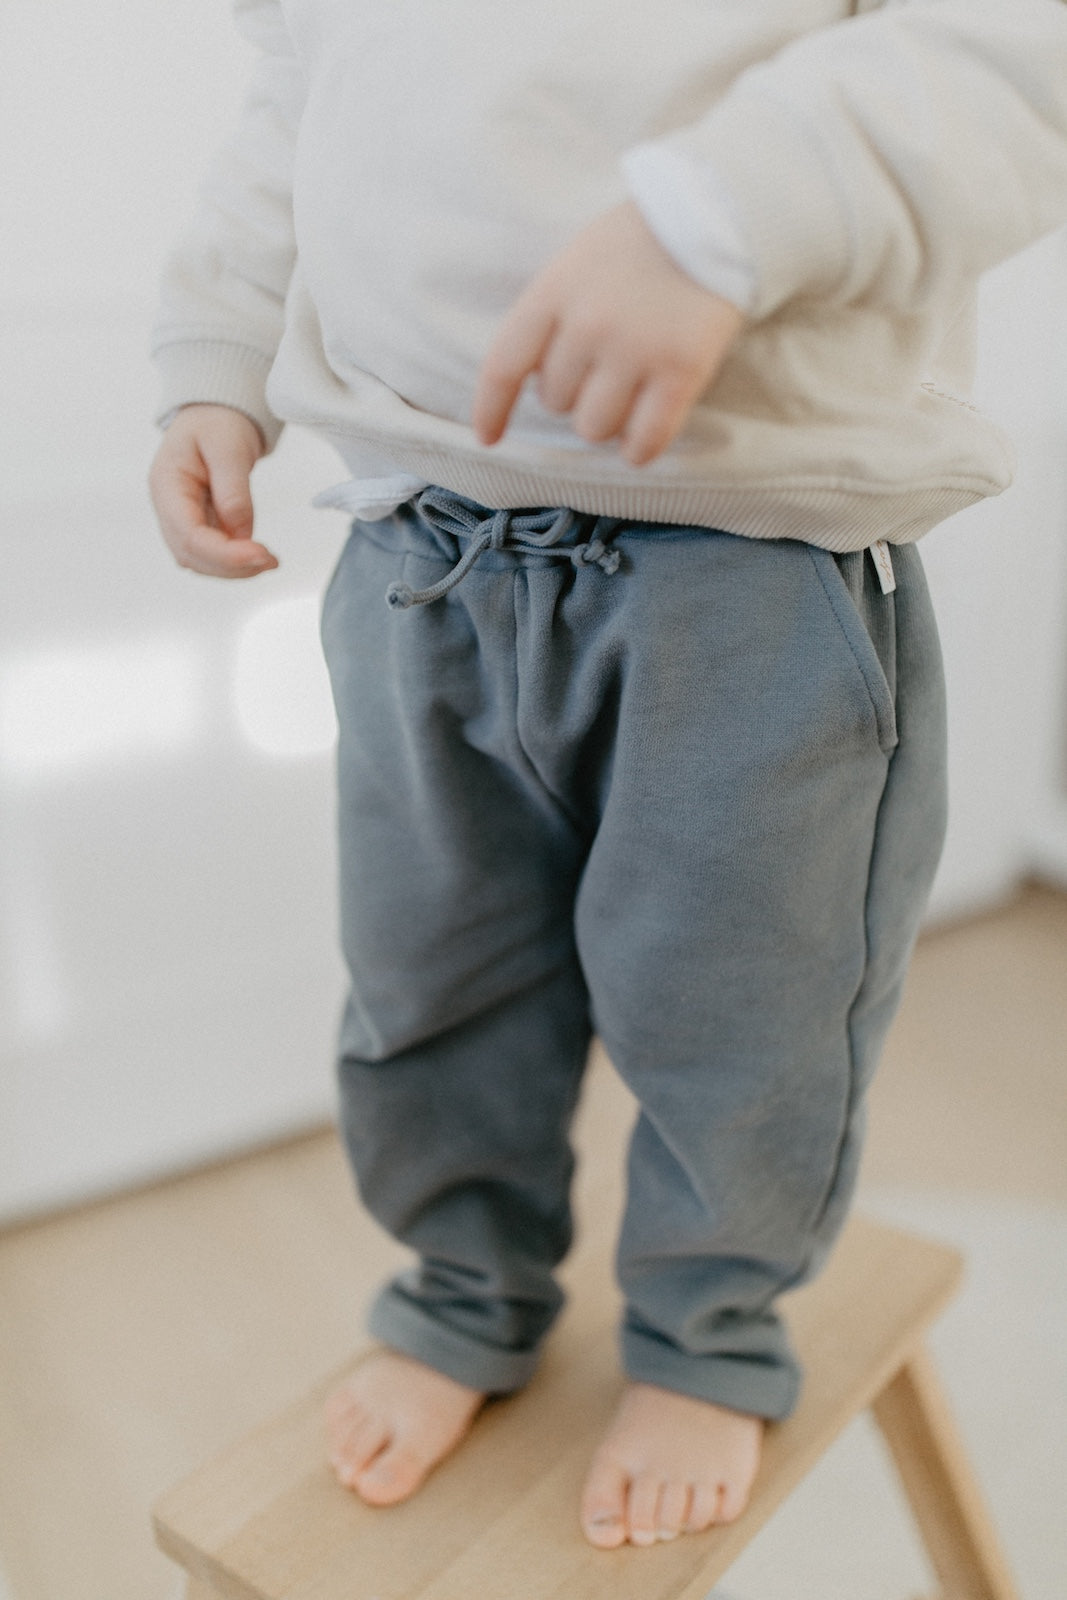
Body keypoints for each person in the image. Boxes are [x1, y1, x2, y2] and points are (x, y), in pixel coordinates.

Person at [148, 0, 1067, 1550]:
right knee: (427, 978)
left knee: (746, 1010)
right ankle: (463, 1289)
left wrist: (716, 221)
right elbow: (294, 106)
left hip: (745, 562)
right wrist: (213, 360)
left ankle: (709, 1329)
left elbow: (1013, 54)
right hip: (418, 550)